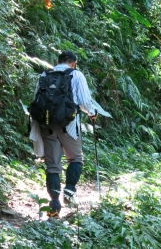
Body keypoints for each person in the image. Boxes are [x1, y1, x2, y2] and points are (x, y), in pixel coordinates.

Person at [29, 50, 109, 218]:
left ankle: (54, 205)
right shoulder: (76, 74)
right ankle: (69, 192)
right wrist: (92, 112)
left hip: (47, 124)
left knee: (52, 167)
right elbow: (85, 101)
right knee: (75, 159)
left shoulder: (44, 74)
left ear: (57, 61)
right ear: (73, 63)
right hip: (69, 125)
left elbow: (37, 99)